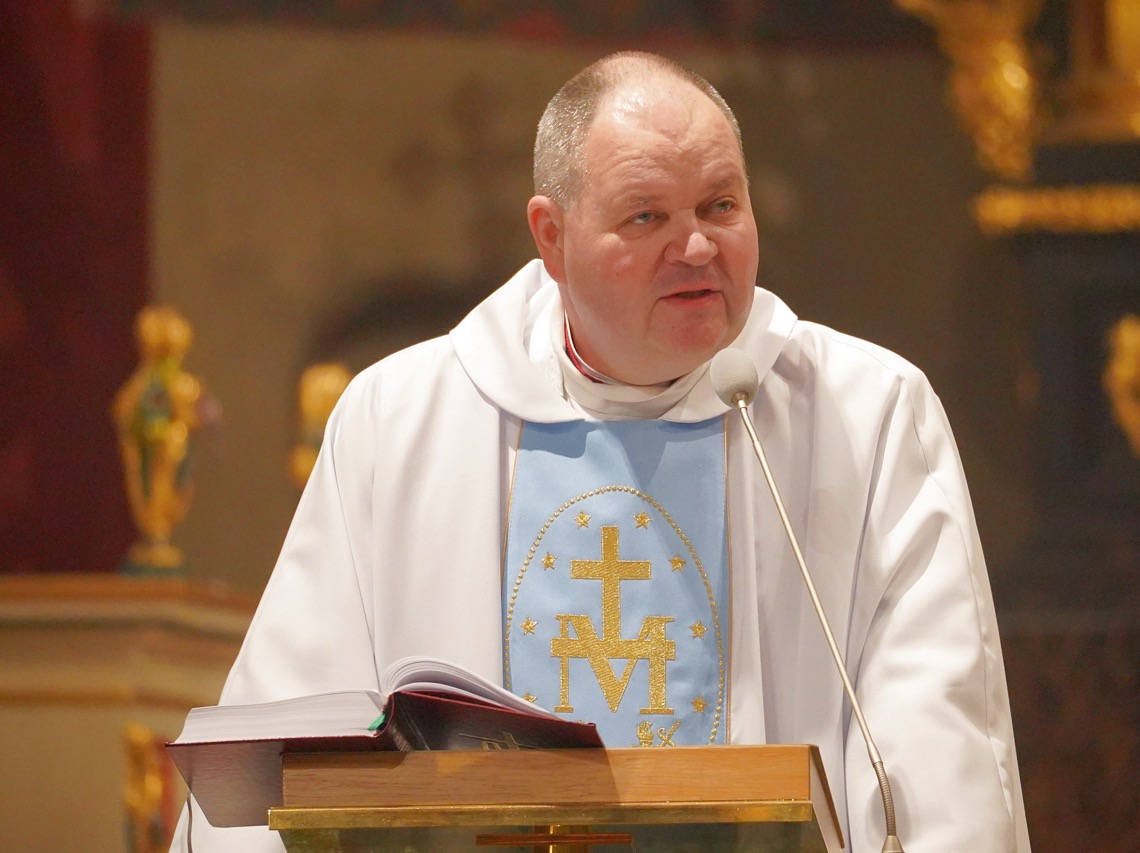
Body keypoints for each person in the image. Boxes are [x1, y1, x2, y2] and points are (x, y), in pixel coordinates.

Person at [171, 51, 1030, 852]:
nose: (697, 247)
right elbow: (285, 754)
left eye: (720, 206)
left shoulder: (864, 415)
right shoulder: (401, 421)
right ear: (552, 237)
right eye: (647, 215)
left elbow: (936, 745)